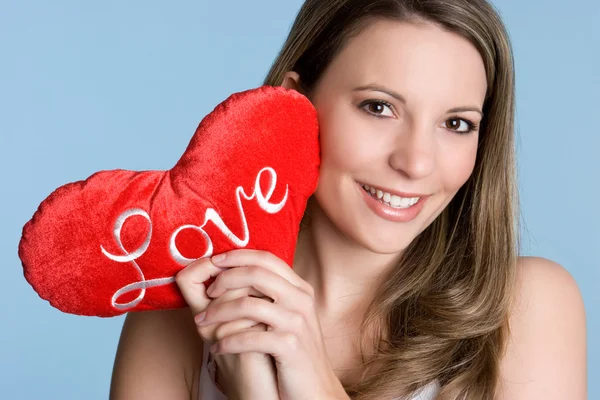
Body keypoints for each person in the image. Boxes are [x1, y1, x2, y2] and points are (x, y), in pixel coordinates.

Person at [109, 0, 587, 399]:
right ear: (293, 106)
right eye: (379, 107)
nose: (416, 162)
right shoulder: (180, 311)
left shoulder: (525, 307)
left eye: (456, 123)